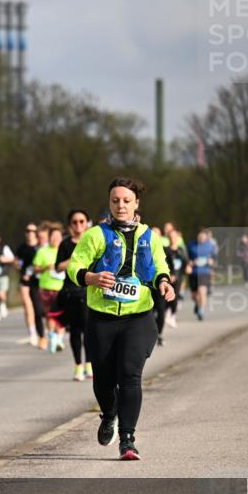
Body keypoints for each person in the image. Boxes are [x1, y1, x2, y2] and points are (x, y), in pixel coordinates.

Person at [67, 177, 174, 460]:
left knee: (130, 375)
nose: (121, 206)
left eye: (126, 201)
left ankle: (128, 440)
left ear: (136, 203)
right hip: (101, 319)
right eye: (115, 200)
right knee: (102, 380)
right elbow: (74, 266)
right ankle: (109, 413)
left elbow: (160, 265)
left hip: (138, 317)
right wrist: (90, 277)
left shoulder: (150, 236)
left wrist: (164, 282)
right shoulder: (95, 235)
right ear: (109, 202)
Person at [56, 209, 92, 380]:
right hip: (71, 292)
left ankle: (89, 364)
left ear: (87, 223)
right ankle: (78, 365)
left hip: (89, 291)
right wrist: (74, 260)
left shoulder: (93, 241)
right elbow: (58, 266)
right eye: (75, 222)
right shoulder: (65, 244)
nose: (79, 225)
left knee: (89, 330)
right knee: (75, 331)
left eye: (82, 221)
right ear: (70, 225)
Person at [33, 225, 67, 353]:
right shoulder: (42, 251)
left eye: (58, 237)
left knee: (62, 314)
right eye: (53, 236)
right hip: (46, 287)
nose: (55, 239)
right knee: (49, 314)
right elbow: (35, 268)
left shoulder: (65, 250)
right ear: (49, 237)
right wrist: (46, 267)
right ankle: (52, 335)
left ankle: (59, 338)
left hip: (62, 288)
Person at [15, 223, 43, 346]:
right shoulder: (21, 247)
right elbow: (17, 261)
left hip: (38, 281)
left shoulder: (40, 246)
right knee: (27, 305)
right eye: (27, 230)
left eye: (32, 230)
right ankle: (32, 333)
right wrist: (17, 265)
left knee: (38, 309)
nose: (30, 233)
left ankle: (42, 333)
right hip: (25, 279)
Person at [187, 228, 217, 321]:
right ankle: (197, 303)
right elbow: (186, 257)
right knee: (194, 295)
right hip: (194, 272)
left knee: (202, 291)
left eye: (203, 237)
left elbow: (215, 257)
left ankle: (201, 310)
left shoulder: (210, 246)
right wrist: (189, 262)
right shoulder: (191, 245)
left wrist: (211, 261)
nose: (201, 238)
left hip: (204, 272)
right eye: (200, 236)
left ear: (206, 237)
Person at [164, 229, 189, 330]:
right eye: (171, 237)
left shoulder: (181, 250)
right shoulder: (166, 250)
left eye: (175, 237)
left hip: (179, 277)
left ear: (178, 238)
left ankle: (172, 316)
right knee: (166, 297)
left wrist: (188, 267)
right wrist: (169, 275)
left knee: (176, 297)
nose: (173, 239)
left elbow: (185, 262)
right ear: (168, 238)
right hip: (168, 277)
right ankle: (165, 314)